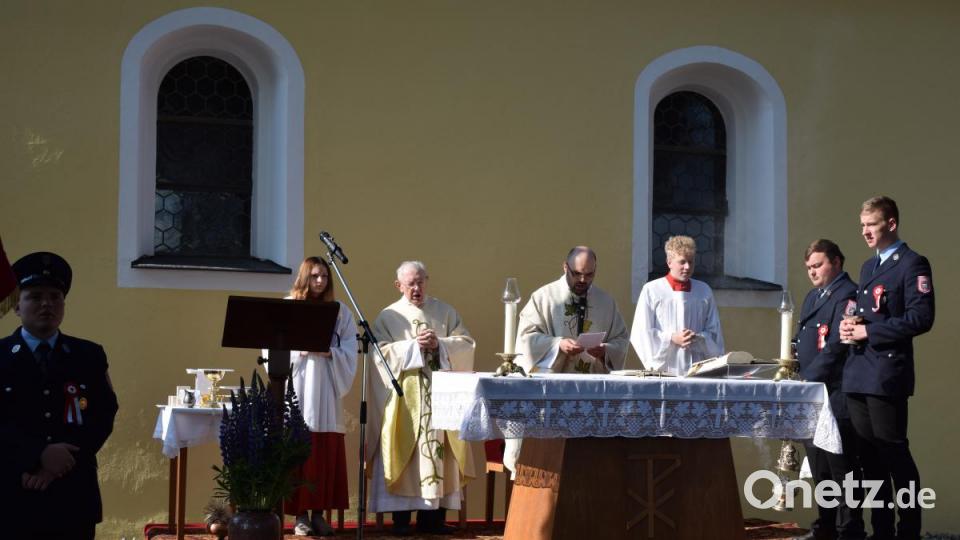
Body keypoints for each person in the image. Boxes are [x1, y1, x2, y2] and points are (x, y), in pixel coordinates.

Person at [1, 252, 119, 540]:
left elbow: (103, 415)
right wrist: (37, 455)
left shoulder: (89, 355)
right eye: (35, 296)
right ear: (17, 305)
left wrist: (54, 468)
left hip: (72, 494)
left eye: (55, 296)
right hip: (13, 491)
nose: (46, 304)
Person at [840, 196, 934, 540]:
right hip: (859, 371)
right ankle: (880, 530)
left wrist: (870, 330)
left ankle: (908, 530)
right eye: (862, 225)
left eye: (872, 225)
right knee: (870, 459)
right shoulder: (868, 267)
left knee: (894, 453)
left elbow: (921, 318)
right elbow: (869, 312)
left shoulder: (912, 264)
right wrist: (850, 327)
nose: (865, 231)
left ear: (891, 224)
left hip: (886, 375)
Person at [366, 261, 475, 536]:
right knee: (408, 452)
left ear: (427, 281)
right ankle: (401, 520)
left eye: (421, 281)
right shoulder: (388, 316)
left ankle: (433, 520)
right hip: (405, 401)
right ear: (398, 285)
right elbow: (379, 355)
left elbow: (466, 344)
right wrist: (413, 347)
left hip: (440, 396)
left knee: (439, 454)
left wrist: (441, 345)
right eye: (411, 283)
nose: (417, 288)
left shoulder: (445, 311)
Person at [276, 257, 358, 536]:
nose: (320, 281)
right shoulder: (288, 307)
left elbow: (349, 348)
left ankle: (319, 514)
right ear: (304, 278)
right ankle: (300, 515)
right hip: (299, 384)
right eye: (314, 276)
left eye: (324, 276)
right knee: (299, 451)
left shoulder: (340, 312)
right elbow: (270, 346)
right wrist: (301, 347)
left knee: (323, 452)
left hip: (327, 389)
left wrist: (329, 352)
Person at [793, 240, 865, 540]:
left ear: (836, 262)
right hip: (813, 393)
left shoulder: (848, 295)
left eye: (818, 265)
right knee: (819, 464)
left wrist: (810, 378)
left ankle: (849, 528)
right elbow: (802, 337)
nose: (812, 272)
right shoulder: (812, 297)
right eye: (809, 267)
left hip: (836, 392)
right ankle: (825, 525)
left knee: (842, 466)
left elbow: (838, 345)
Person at [515, 246, 630, 375]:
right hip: (553, 383)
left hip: (592, 385)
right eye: (576, 273)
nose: (582, 280)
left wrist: (606, 351)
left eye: (589, 275)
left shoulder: (606, 302)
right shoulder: (543, 297)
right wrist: (557, 345)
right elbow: (526, 338)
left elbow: (621, 339)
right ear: (565, 267)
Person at [630, 235, 724, 375]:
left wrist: (698, 337)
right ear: (669, 262)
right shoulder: (652, 290)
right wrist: (671, 338)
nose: (687, 267)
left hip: (698, 369)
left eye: (691, 262)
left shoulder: (704, 291)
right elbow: (642, 332)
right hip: (666, 370)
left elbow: (714, 331)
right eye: (682, 262)